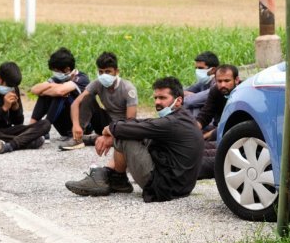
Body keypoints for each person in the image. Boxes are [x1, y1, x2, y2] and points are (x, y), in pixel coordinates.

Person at [65, 76, 203, 202]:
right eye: (155, 98)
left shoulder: (172, 123)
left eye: (162, 98)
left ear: (178, 100)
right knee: (137, 133)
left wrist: (110, 129)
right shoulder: (182, 118)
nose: (157, 102)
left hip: (164, 187)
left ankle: (116, 179)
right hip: (180, 186)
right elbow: (145, 123)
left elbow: (132, 128)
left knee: (126, 136)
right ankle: (109, 174)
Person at [60, 51, 138, 151]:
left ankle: (102, 138)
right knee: (87, 97)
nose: (103, 75)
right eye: (101, 72)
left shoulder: (128, 88)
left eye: (108, 71)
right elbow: (75, 104)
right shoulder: (97, 83)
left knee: (128, 130)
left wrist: (118, 132)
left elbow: (130, 120)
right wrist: (76, 126)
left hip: (121, 126)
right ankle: (78, 139)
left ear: (116, 72)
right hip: (106, 122)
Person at [0, 61, 50, 154]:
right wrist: (3, 109)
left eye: (14, 86)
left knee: (45, 124)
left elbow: (18, 123)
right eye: (9, 86)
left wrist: (16, 109)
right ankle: (28, 141)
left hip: (6, 132)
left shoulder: (14, 89)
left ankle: (9, 145)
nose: (11, 89)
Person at [29, 47, 90, 139]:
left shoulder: (81, 78)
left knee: (62, 95)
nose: (55, 73)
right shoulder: (57, 79)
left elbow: (60, 91)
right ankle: (30, 128)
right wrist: (51, 87)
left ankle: (43, 129)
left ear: (67, 69)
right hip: (64, 129)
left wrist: (50, 88)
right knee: (45, 95)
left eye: (56, 71)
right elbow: (34, 90)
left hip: (81, 126)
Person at [195, 64, 241, 140]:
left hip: (235, 130)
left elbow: (235, 123)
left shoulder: (242, 92)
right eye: (219, 81)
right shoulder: (215, 91)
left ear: (236, 80)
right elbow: (205, 115)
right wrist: (192, 131)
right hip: (217, 127)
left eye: (227, 81)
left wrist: (204, 137)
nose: (223, 85)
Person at [183, 51, 219, 116]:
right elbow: (181, 91)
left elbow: (190, 101)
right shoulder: (204, 82)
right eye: (196, 68)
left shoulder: (218, 84)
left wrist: (192, 95)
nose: (197, 71)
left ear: (213, 70)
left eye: (200, 68)